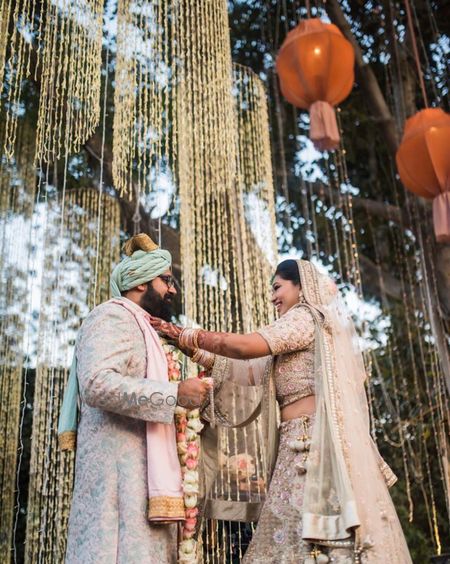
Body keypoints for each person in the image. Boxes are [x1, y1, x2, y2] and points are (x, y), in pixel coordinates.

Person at [149, 259, 412, 563]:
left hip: (311, 446)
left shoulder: (304, 318)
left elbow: (244, 347)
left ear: (301, 287)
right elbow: (242, 370)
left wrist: (188, 334)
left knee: (313, 538)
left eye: (277, 287)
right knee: (295, 536)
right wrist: (183, 342)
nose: (273, 297)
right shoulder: (293, 332)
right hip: (295, 446)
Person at [57, 233, 212, 564]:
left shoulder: (146, 328)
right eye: (166, 280)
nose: (172, 290)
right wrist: (175, 394)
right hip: (118, 488)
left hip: (145, 486)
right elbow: (96, 383)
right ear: (140, 283)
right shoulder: (111, 316)